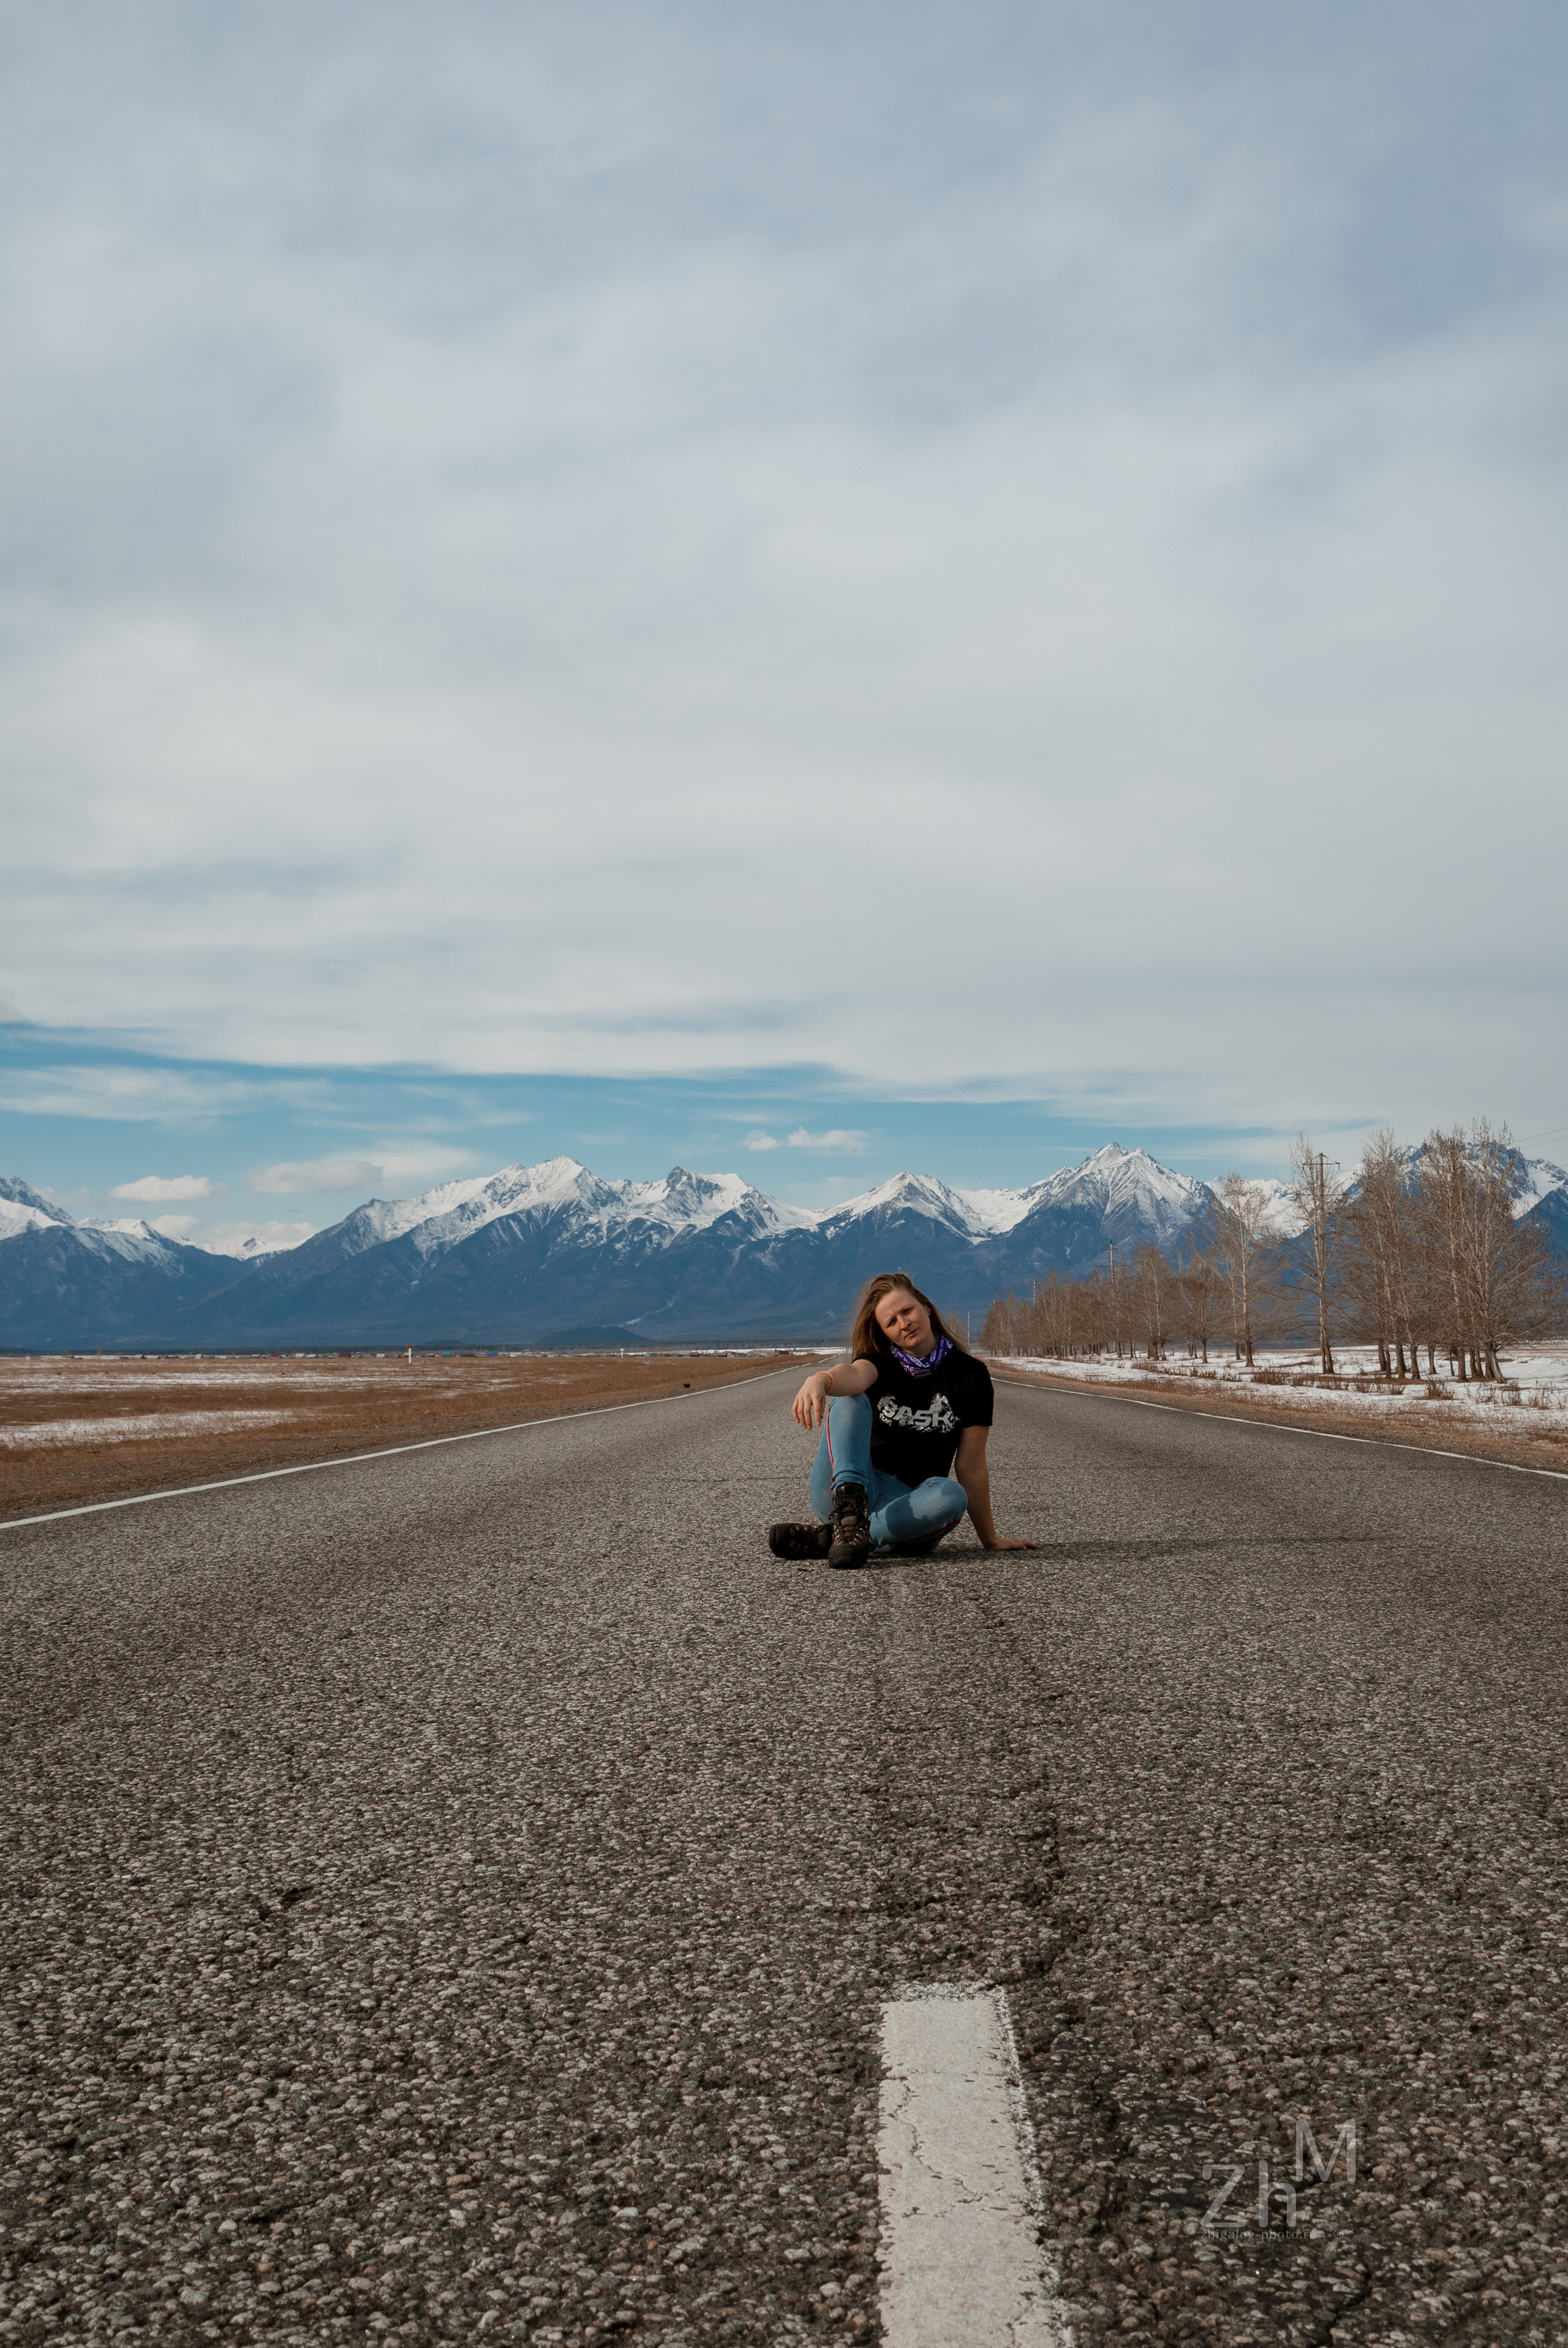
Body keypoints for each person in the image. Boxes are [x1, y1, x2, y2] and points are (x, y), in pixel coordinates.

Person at [769, 1270, 1039, 1569]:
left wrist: (990, 1540)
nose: (904, 1323)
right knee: (849, 1397)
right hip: (850, 1486)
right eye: (891, 1322)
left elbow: (972, 1467)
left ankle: (840, 1538)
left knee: (952, 1494)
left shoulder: (970, 1375)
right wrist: (820, 1379)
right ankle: (849, 1518)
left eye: (907, 1310)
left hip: (910, 1507)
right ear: (884, 1333)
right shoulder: (879, 1362)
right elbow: (854, 1375)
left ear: (926, 1307)